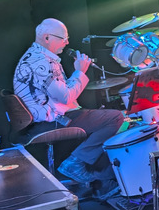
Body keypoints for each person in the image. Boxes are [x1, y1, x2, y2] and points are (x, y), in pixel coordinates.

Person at [13, 18, 123, 191]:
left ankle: (99, 179)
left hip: (50, 116)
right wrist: (80, 71)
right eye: (63, 38)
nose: (67, 42)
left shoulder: (38, 57)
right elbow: (65, 97)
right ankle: (76, 163)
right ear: (47, 38)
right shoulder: (40, 62)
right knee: (115, 117)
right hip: (50, 121)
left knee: (99, 117)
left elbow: (62, 91)